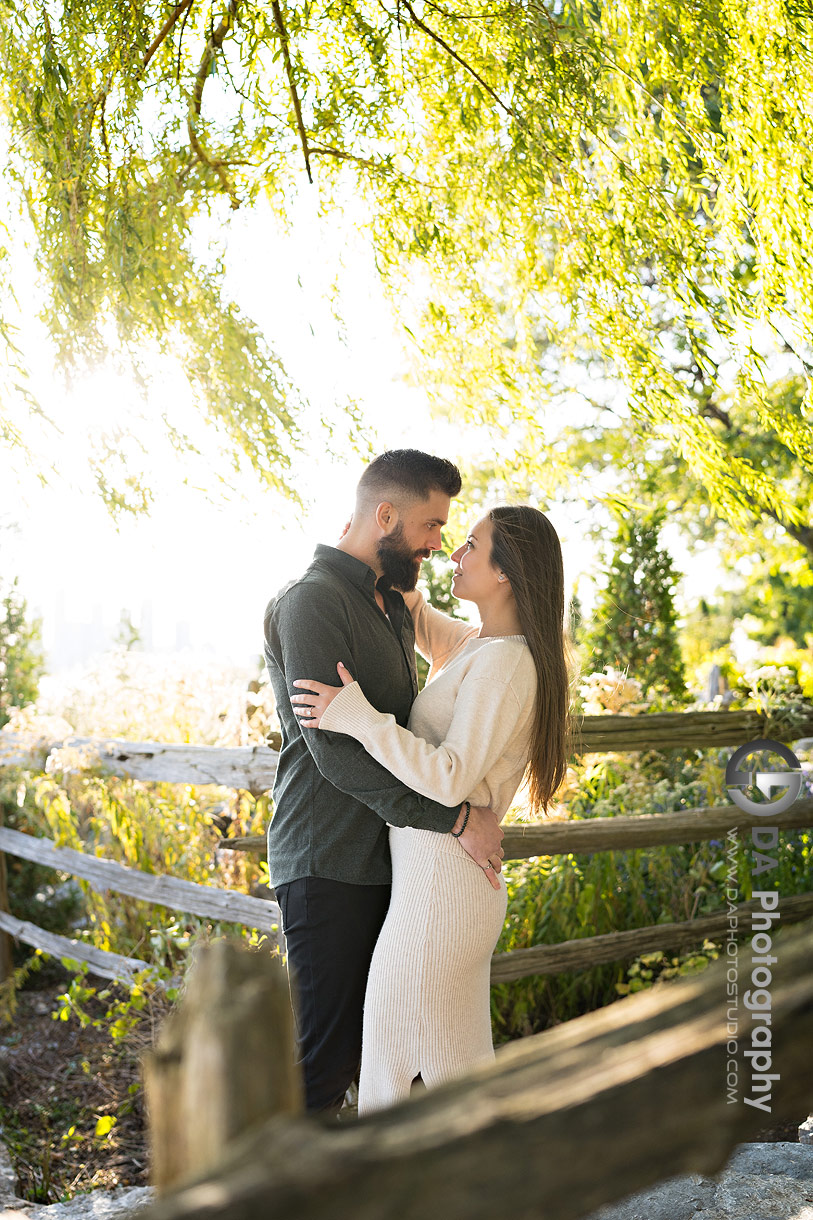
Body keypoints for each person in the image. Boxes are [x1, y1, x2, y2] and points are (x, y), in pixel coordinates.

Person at [291, 504, 572, 1114]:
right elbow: (413, 610)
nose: (453, 553)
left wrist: (359, 718)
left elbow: (450, 778)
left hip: (442, 895)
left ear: (506, 572)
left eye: (470, 545)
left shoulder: (504, 664)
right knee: (444, 1073)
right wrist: (379, 541)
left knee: (398, 1071)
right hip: (437, 888)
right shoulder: (479, 645)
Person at [262, 450, 506, 1117]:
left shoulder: (394, 604)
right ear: (386, 515)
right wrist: (455, 819)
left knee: (389, 1050)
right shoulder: (310, 602)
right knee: (328, 1059)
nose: (438, 544)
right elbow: (334, 752)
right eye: (431, 526)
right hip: (326, 857)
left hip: (390, 856)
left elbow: (491, 647)